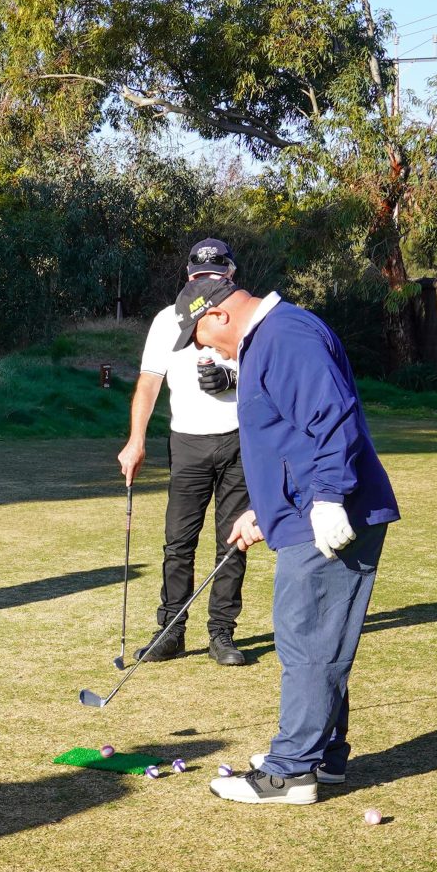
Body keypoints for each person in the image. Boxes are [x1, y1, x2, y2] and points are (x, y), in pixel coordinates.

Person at [168, 270, 400, 805]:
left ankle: (292, 772)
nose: (205, 349)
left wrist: (328, 498)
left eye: (200, 336)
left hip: (327, 515)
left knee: (307, 639)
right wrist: (264, 510)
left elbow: (331, 418)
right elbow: (290, 438)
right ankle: (323, 755)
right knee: (318, 638)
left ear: (218, 313)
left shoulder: (285, 336)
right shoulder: (269, 340)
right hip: (303, 510)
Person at [117, 238, 255, 667]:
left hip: (239, 440)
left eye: (215, 275)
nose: (207, 282)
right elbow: (149, 381)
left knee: (232, 542)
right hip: (187, 442)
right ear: (188, 276)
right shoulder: (167, 320)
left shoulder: (246, 317)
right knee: (178, 542)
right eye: (200, 276)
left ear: (230, 274)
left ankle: (221, 633)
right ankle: (171, 631)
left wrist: (233, 381)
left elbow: (267, 376)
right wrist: (136, 440)